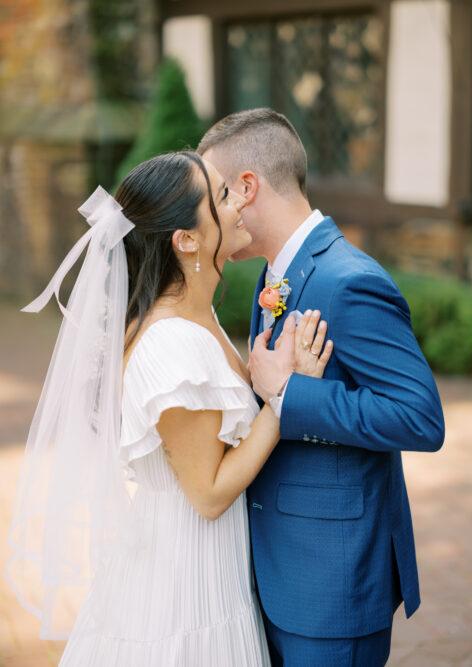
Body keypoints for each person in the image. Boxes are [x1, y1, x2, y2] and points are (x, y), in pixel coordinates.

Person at [6, 150, 333, 666]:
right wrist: (284, 398)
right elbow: (207, 493)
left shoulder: (198, 319)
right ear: (186, 240)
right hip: (183, 585)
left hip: (203, 564)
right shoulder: (172, 345)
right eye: (223, 196)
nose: (240, 201)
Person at [198, 108, 446, 667]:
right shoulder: (275, 274)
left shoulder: (348, 281)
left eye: (216, 194)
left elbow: (420, 417)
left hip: (331, 584)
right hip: (280, 568)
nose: (211, 211)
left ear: (247, 187)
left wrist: (290, 395)